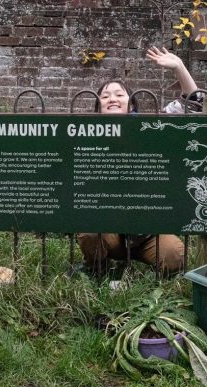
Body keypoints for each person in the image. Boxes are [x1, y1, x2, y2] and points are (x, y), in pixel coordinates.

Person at [77, 47, 200, 275]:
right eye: (105, 96)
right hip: (108, 229)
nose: (112, 99)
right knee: (90, 233)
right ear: (98, 108)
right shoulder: (85, 138)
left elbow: (192, 105)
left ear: (132, 104)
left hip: (149, 232)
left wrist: (179, 67)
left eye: (119, 94)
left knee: (173, 255)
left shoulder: (152, 128)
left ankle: (152, 284)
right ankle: (97, 271)